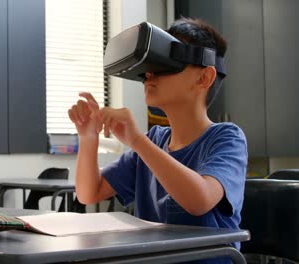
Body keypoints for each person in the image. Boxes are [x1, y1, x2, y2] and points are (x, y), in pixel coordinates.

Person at [68, 18, 247, 264]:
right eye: (149, 65)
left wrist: (137, 141)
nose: (149, 74)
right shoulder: (154, 140)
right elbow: (89, 193)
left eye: (165, 64)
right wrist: (88, 137)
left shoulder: (226, 138)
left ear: (204, 78)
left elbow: (200, 200)